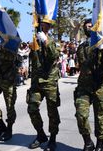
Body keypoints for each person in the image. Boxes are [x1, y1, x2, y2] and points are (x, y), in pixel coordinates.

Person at [74, 19, 103, 151]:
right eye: (86, 27)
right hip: (84, 87)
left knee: (100, 117)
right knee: (81, 114)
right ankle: (88, 142)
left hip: (100, 87)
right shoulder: (81, 47)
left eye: (90, 26)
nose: (88, 28)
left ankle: (100, 145)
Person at [27, 21, 61, 151]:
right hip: (36, 82)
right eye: (41, 24)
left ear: (49, 27)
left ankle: (52, 138)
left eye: (45, 25)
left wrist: (46, 41)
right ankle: (41, 135)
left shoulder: (54, 42)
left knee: (52, 111)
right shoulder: (34, 42)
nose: (42, 26)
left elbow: (54, 55)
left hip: (50, 82)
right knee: (32, 108)